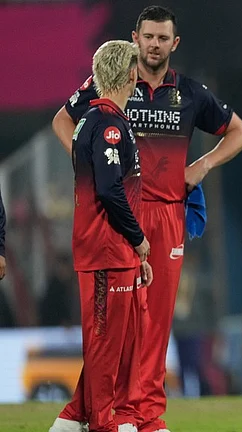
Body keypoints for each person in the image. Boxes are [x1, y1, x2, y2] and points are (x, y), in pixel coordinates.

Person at [51, 6, 242, 432]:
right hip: (120, 212)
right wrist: (87, 163)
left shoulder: (192, 93)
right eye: (148, 37)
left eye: (163, 38)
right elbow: (61, 120)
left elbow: (241, 132)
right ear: (135, 38)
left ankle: (143, 414)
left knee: (155, 322)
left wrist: (200, 167)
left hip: (166, 214)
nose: (155, 44)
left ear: (174, 43)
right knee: (118, 326)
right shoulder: (114, 83)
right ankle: (108, 412)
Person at [49, 40, 154, 432]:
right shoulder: (107, 125)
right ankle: (103, 423)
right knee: (105, 347)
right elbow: (110, 191)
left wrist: (135, 252)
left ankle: (73, 419)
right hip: (106, 250)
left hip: (114, 251)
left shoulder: (94, 121)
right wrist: (139, 239)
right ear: (129, 74)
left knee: (112, 345)